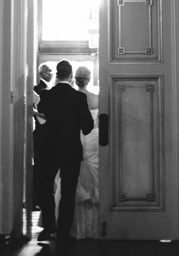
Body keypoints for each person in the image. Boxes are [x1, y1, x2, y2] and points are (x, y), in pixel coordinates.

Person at [36, 59, 94, 242]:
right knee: (68, 192)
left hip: (49, 149)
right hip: (70, 149)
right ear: (70, 76)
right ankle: (63, 232)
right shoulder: (79, 98)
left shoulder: (46, 95)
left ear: (57, 74)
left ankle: (49, 225)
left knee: (46, 188)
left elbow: (43, 115)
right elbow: (87, 127)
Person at [71, 66, 99, 239]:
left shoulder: (73, 98)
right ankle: (96, 226)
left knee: (74, 176)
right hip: (94, 139)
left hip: (76, 137)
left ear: (75, 79)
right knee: (95, 176)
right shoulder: (97, 98)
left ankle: (74, 227)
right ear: (89, 79)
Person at [32, 63, 53, 210]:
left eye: (51, 71)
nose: (50, 73)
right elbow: (40, 112)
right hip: (42, 131)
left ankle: (40, 199)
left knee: (43, 167)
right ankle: (37, 199)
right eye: (48, 71)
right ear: (42, 73)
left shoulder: (47, 89)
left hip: (44, 132)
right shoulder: (39, 89)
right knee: (40, 167)